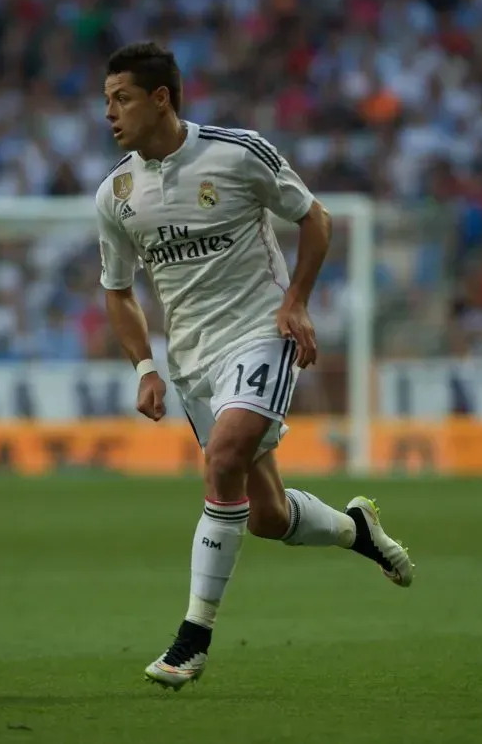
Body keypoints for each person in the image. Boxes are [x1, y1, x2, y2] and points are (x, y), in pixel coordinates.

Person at [94, 42, 414, 691]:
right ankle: (356, 530)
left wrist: (295, 302)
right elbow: (118, 290)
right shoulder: (117, 193)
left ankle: (192, 638)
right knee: (265, 514)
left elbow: (315, 218)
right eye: (107, 101)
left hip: (260, 332)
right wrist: (145, 367)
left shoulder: (238, 154)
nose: (110, 113)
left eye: (122, 98)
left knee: (225, 456)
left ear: (161, 98)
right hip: (192, 361)